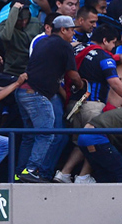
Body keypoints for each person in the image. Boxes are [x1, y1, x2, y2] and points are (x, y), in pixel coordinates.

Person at [16, 15, 83, 182]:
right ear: (63, 30)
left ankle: (19, 174)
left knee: (30, 136)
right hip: (36, 94)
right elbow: (72, 75)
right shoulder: (64, 45)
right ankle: (31, 170)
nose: (73, 33)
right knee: (47, 133)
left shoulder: (43, 42)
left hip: (22, 91)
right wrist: (81, 85)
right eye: (71, 30)